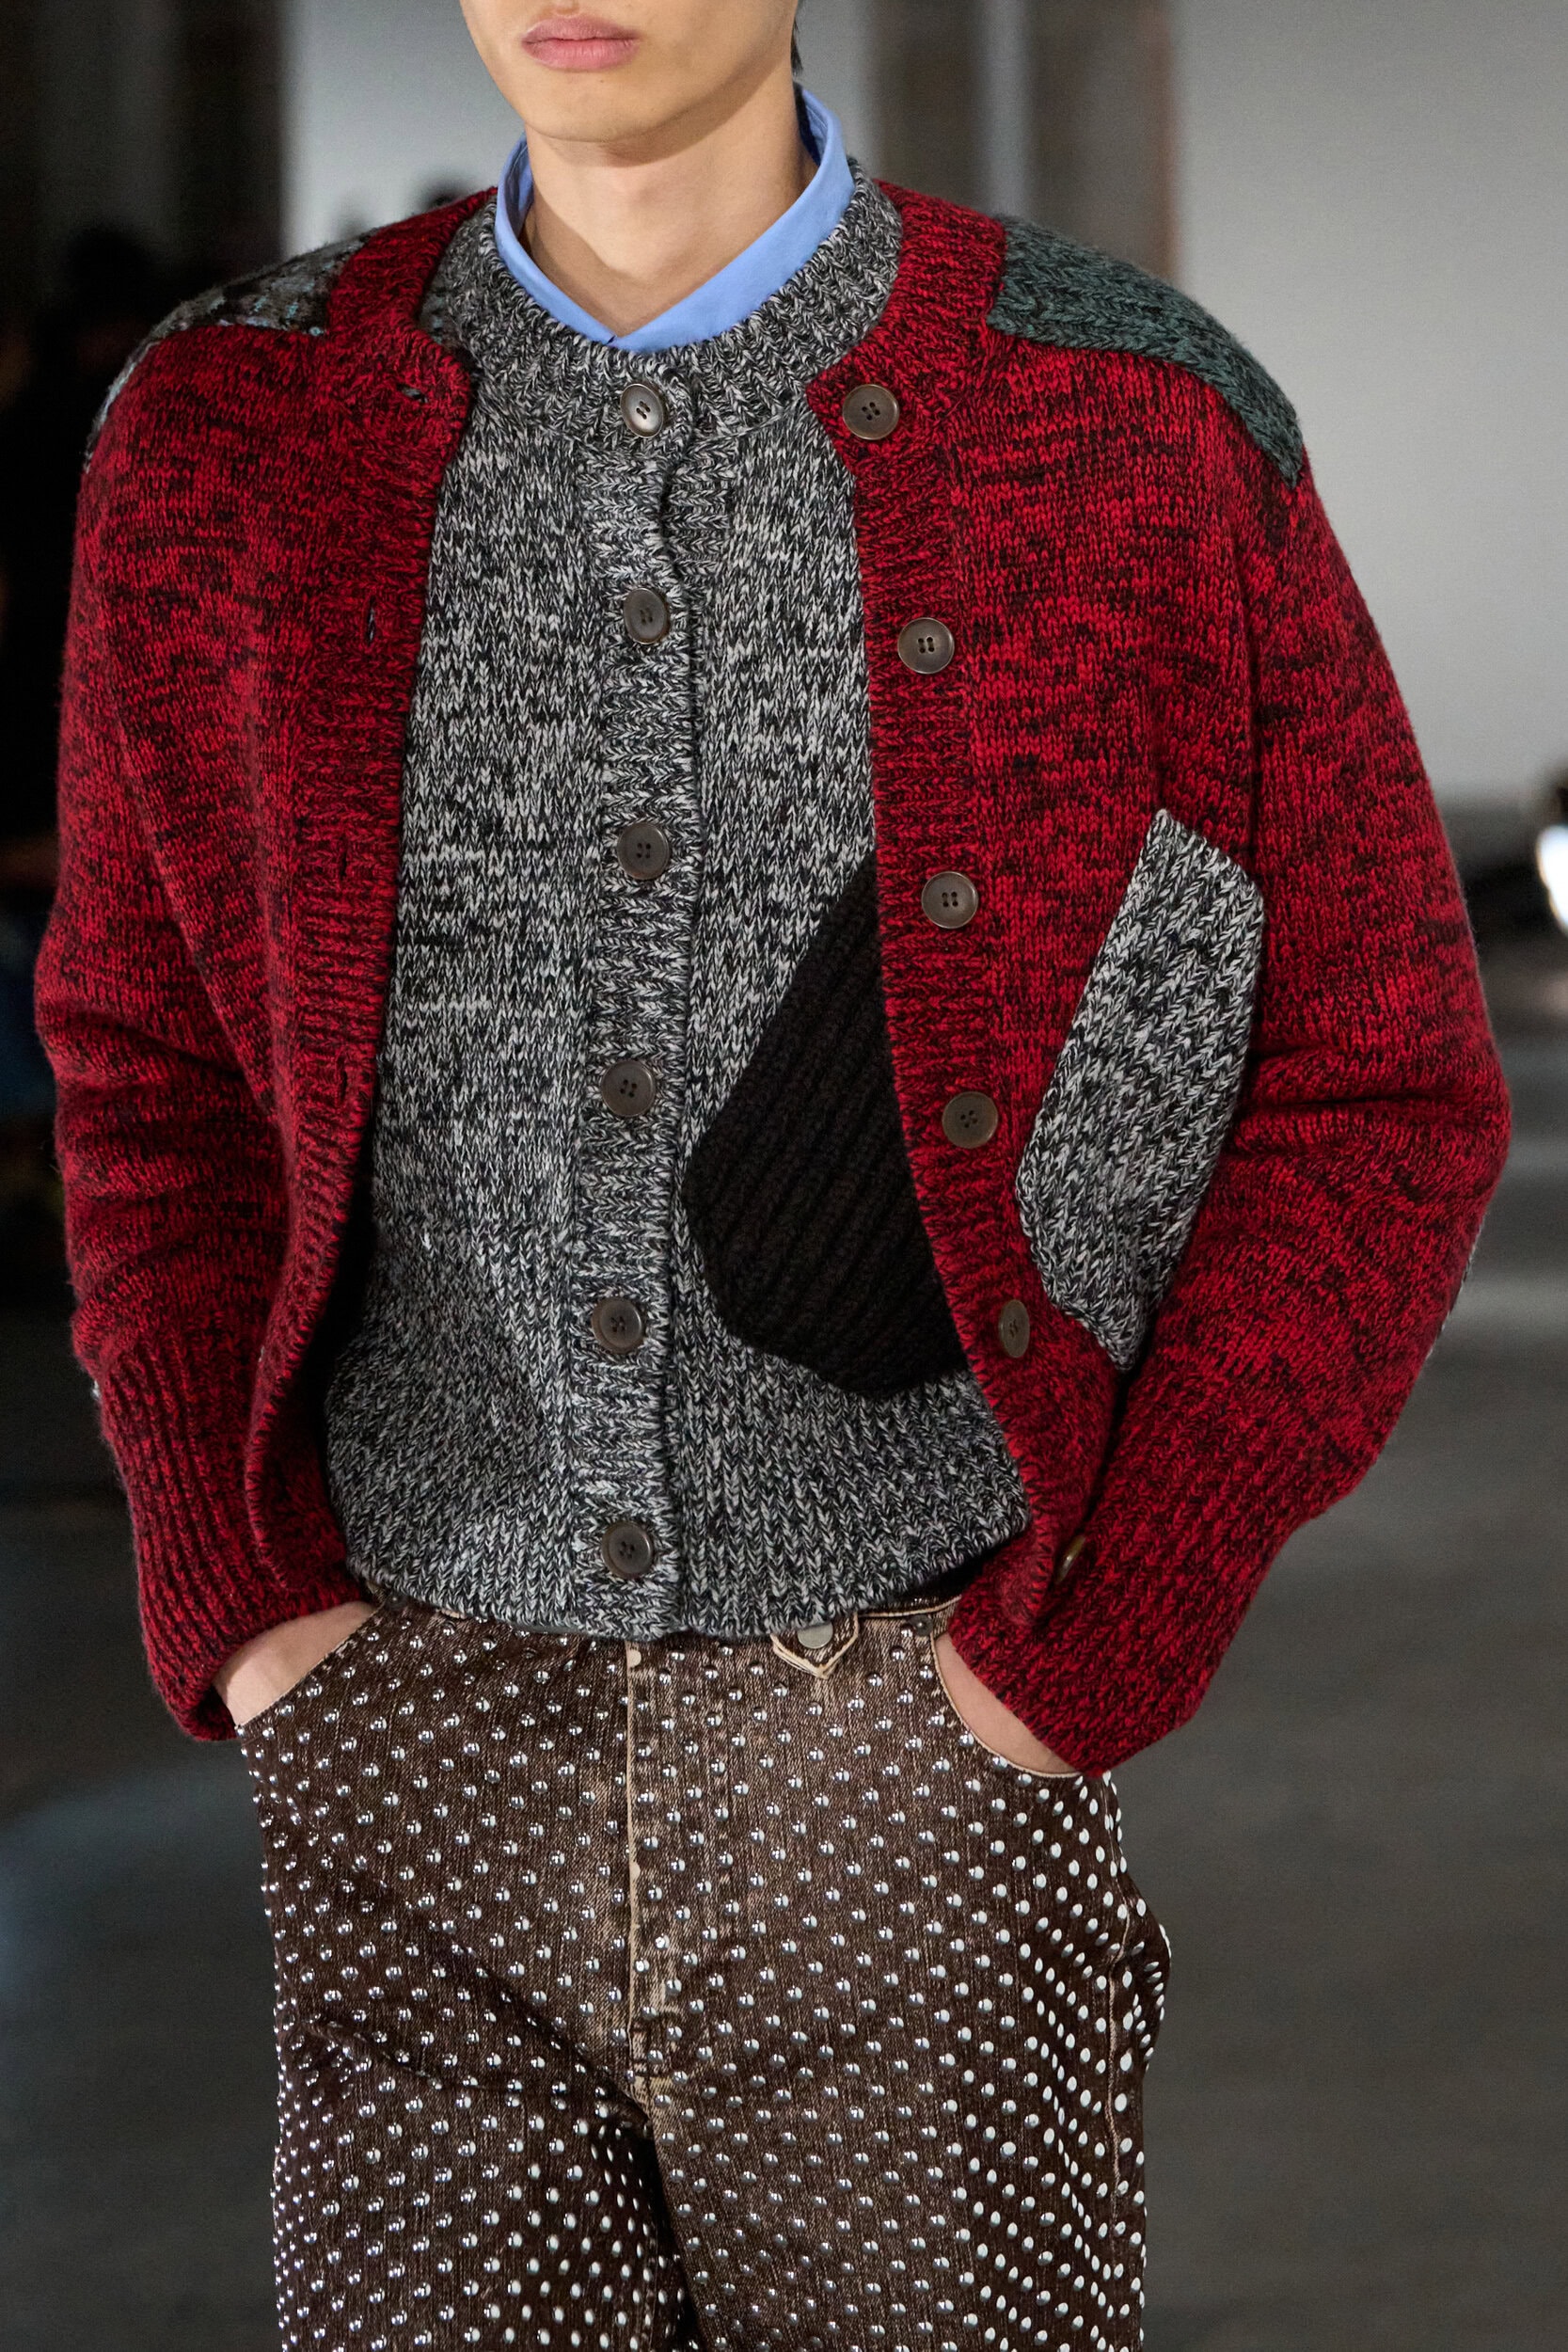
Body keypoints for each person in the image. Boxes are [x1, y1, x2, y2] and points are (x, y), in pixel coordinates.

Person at [36, 3, 1510, 2345]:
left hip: (919, 1753)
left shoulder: (1126, 415)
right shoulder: (233, 426)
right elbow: (146, 1056)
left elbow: (1380, 1076)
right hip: (407, 1752)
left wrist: (1105, 1627)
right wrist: (244, 1598)